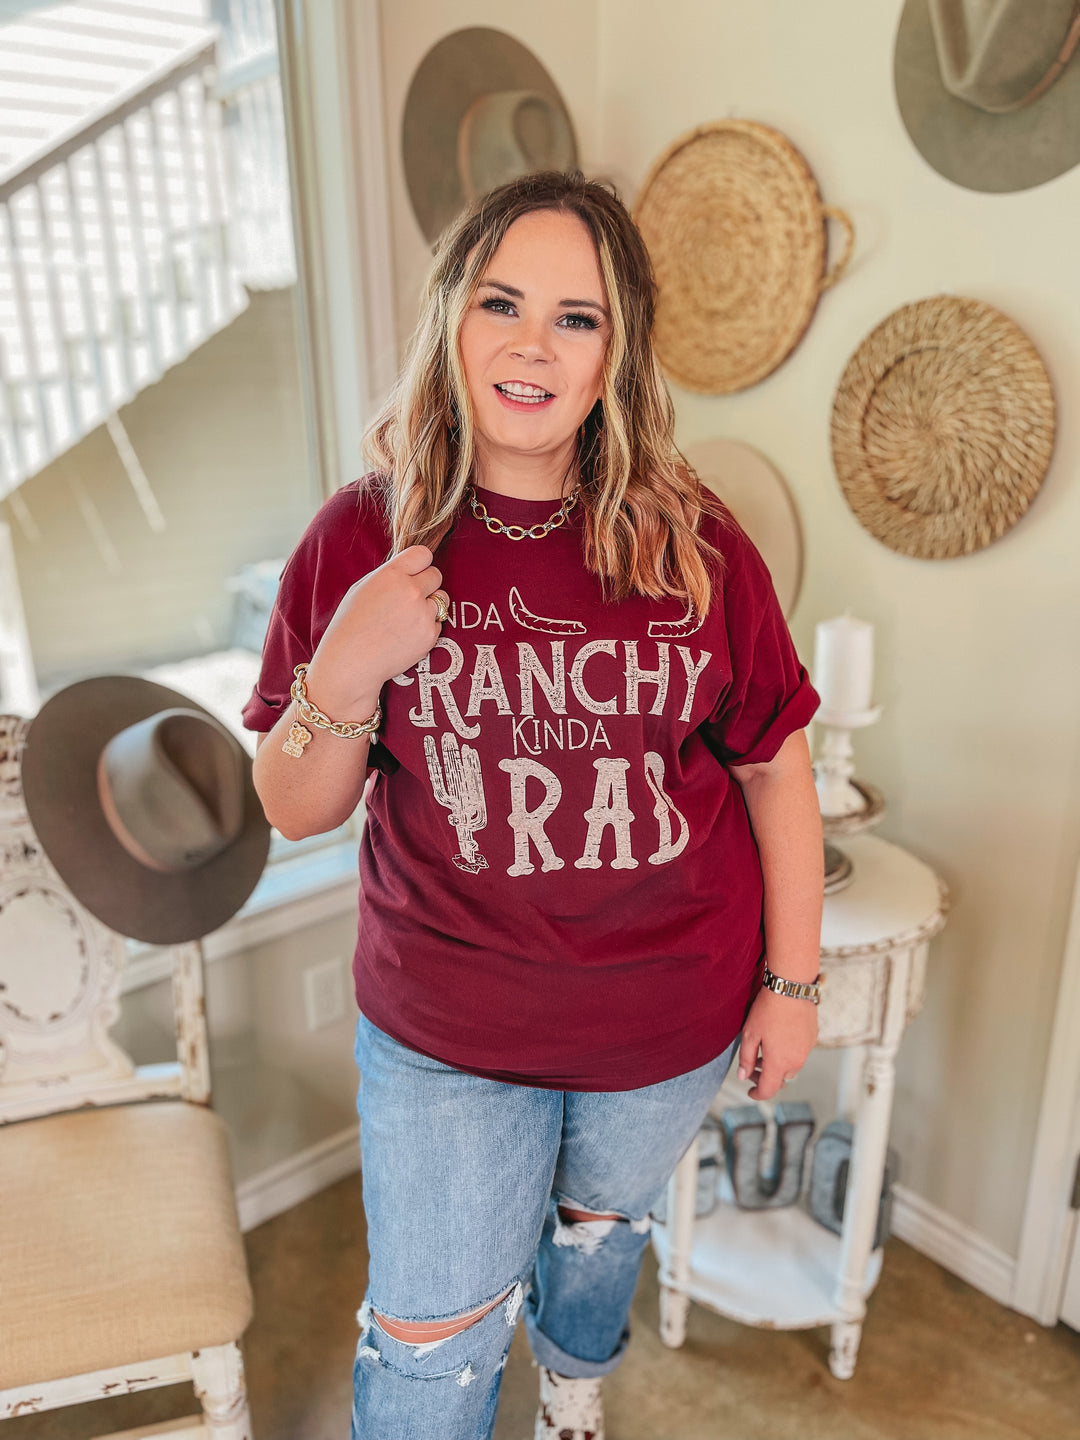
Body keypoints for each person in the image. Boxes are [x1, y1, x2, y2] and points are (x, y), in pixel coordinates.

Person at [242, 169, 824, 1440]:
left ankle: (574, 1387)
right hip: (451, 1030)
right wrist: (344, 665)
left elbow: (772, 760)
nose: (531, 343)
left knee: (598, 1239)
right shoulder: (365, 536)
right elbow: (293, 808)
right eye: (502, 301)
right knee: (431, 1355)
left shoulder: (696, 538)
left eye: (578, 316)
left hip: (668, 1019)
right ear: (451, 319)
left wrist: (793, 980)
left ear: (617, 356)